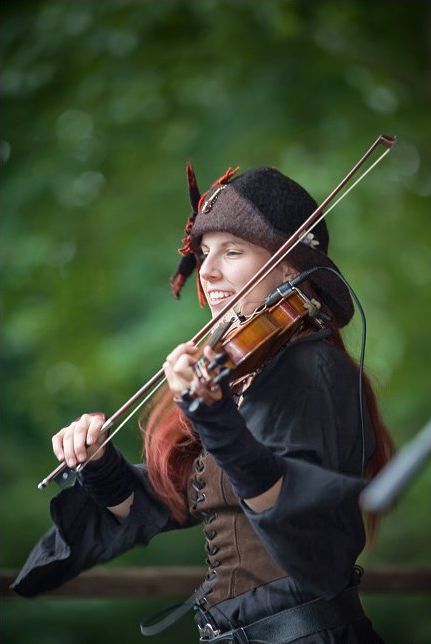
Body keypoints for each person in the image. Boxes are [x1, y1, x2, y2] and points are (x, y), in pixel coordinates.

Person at [12, 165, 394, 643]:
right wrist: (100, 465)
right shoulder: (243, 379)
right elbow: (169, 502)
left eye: (232, 252)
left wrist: (213, 419)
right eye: (205, 253)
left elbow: (297, 516)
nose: (208, 272)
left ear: (290, 268)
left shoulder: (312, 371)